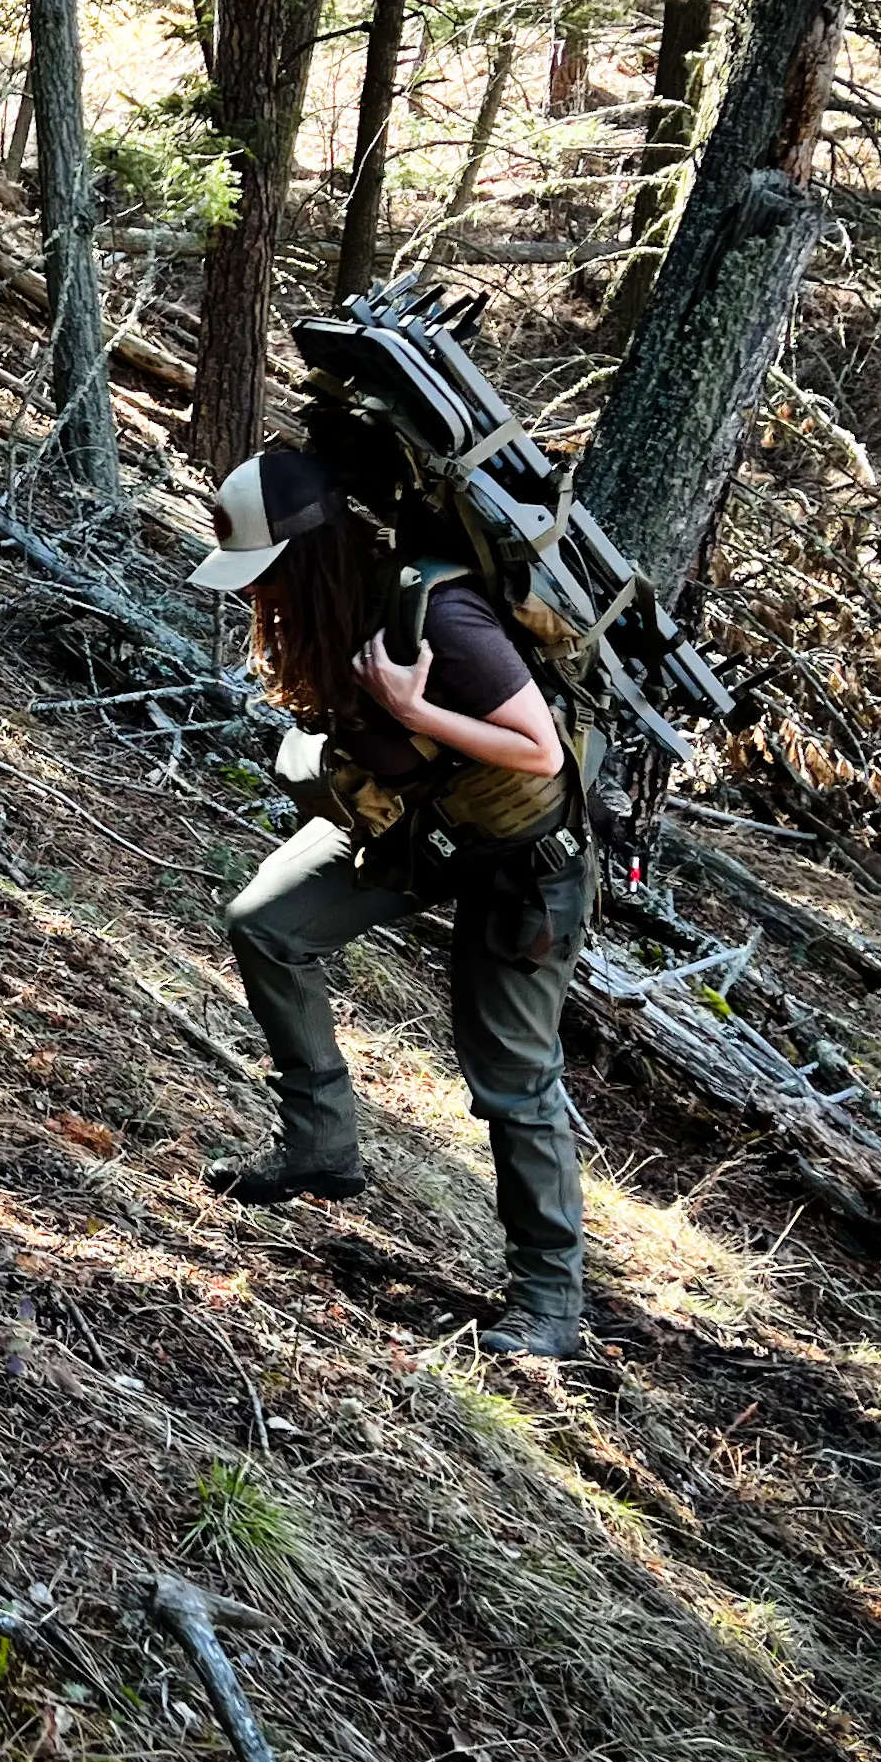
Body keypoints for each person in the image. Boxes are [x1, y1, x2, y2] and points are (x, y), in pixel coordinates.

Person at [188, 448, 595, 1358]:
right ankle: (320, 1144)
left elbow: (539, 752)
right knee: (268, 924)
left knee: (512, 1082)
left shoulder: (439, 609)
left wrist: (413, 711)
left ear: (312, 553)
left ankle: (549, 1303)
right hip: (418, 829)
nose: (260, 597)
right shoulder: (341, 608)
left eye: (267, 575)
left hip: (522, 859)